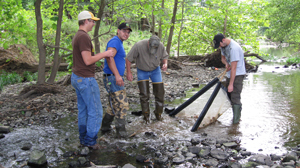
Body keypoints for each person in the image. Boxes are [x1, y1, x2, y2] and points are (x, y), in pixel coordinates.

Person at [71, 11, 114, 149]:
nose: (94, 23)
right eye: (92, 21)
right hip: (85, 79)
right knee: (96, 111)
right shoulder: (83, 37)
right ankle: (90, 141)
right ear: (86, 21)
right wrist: (105, 54)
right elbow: (88, 60)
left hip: (77, 78)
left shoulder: (78, 35)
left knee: (83, 110)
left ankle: (83, 139)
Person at [126, 35, 169, 123]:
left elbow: (165, 57)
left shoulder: (160, 46)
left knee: (160, 93)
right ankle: (146, 116)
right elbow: (128, 59)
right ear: (148, 43)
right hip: (142, 70)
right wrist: (129, 72)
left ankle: (158, 114)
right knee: (144, 95)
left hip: (155, 70)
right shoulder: (139, 45)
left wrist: (165, 64)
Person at [100, 22, 131, 138]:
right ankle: (121, 134)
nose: (126, 34)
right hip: (112, 77)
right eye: (124, 31)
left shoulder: (119, 42)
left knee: (113, 105)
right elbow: (109, 57)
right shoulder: (114, 41)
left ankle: (105, 128)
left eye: (128, 32)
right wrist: (118, 75)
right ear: (118, 30)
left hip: (112, 77)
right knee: (122, 105)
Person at [213, 33, 246, 124]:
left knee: (234, 96)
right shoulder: (223, 46)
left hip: (238, 74)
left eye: (219, 44)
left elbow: (234, 68)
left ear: (223, 40)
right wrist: (226, 63)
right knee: (229, 95)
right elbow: (223, 58)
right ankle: (237, 114)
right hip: (229, 74)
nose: (219, 47)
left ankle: (235, 123)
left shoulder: (234, 48)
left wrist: (231, 84)